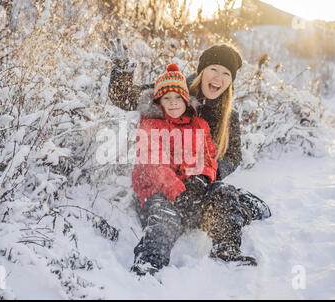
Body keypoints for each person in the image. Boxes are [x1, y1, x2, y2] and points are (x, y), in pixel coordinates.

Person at [107, 40, 272, 275]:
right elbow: (123, 97)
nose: (218, 77)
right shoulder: (174, 90)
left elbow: (231, 155)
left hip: (197, 182)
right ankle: (148, 262)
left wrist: (203, 178)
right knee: (165, 218)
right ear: (202, 70)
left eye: (226, 73)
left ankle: (227, 247)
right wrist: (122, 70)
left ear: (231, 81)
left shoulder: (227, 115)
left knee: (224, 196)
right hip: (161, 183)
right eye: (213, 69)